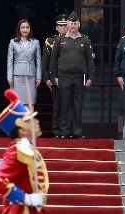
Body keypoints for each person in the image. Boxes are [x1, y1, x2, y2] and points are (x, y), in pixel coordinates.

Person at [49, 11, 95, 139]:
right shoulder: (60, 39)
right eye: (71, 23)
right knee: (64, 105)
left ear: (79, 24)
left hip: (79, 77)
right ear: (67, 24)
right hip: (63, 77)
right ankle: (65, 131)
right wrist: (54, 77)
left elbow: (90, 60)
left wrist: (91, 77)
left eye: (75, 23)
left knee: (77, 105)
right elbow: (53, 59)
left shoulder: (85, 40)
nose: (73, 25)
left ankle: (77, 131)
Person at [7, 19, 41, 112]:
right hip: (17, 77)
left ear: (30, 29)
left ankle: (29, 126)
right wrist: (9, 77)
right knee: (17, 104)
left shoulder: (35, 42)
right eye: (22, 27)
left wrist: (39, 77)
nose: (25, 29)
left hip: (31, 77)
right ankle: (19, 126)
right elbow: (10, 60)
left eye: (27, 27)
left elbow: (38, 61)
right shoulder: (13, 42)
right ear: (19, 29)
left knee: (30, 103)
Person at [42, 13, 67, 138]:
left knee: (68, 106)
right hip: (55, 77)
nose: (63, 28)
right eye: (60, 26)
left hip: (68, 76)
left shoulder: (73, 40)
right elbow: (45, 61)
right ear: (56, 28)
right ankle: (57, 131)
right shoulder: (50, 41)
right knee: (57, 105)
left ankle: (66, 131)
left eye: (65, 25)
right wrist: (47, 78)